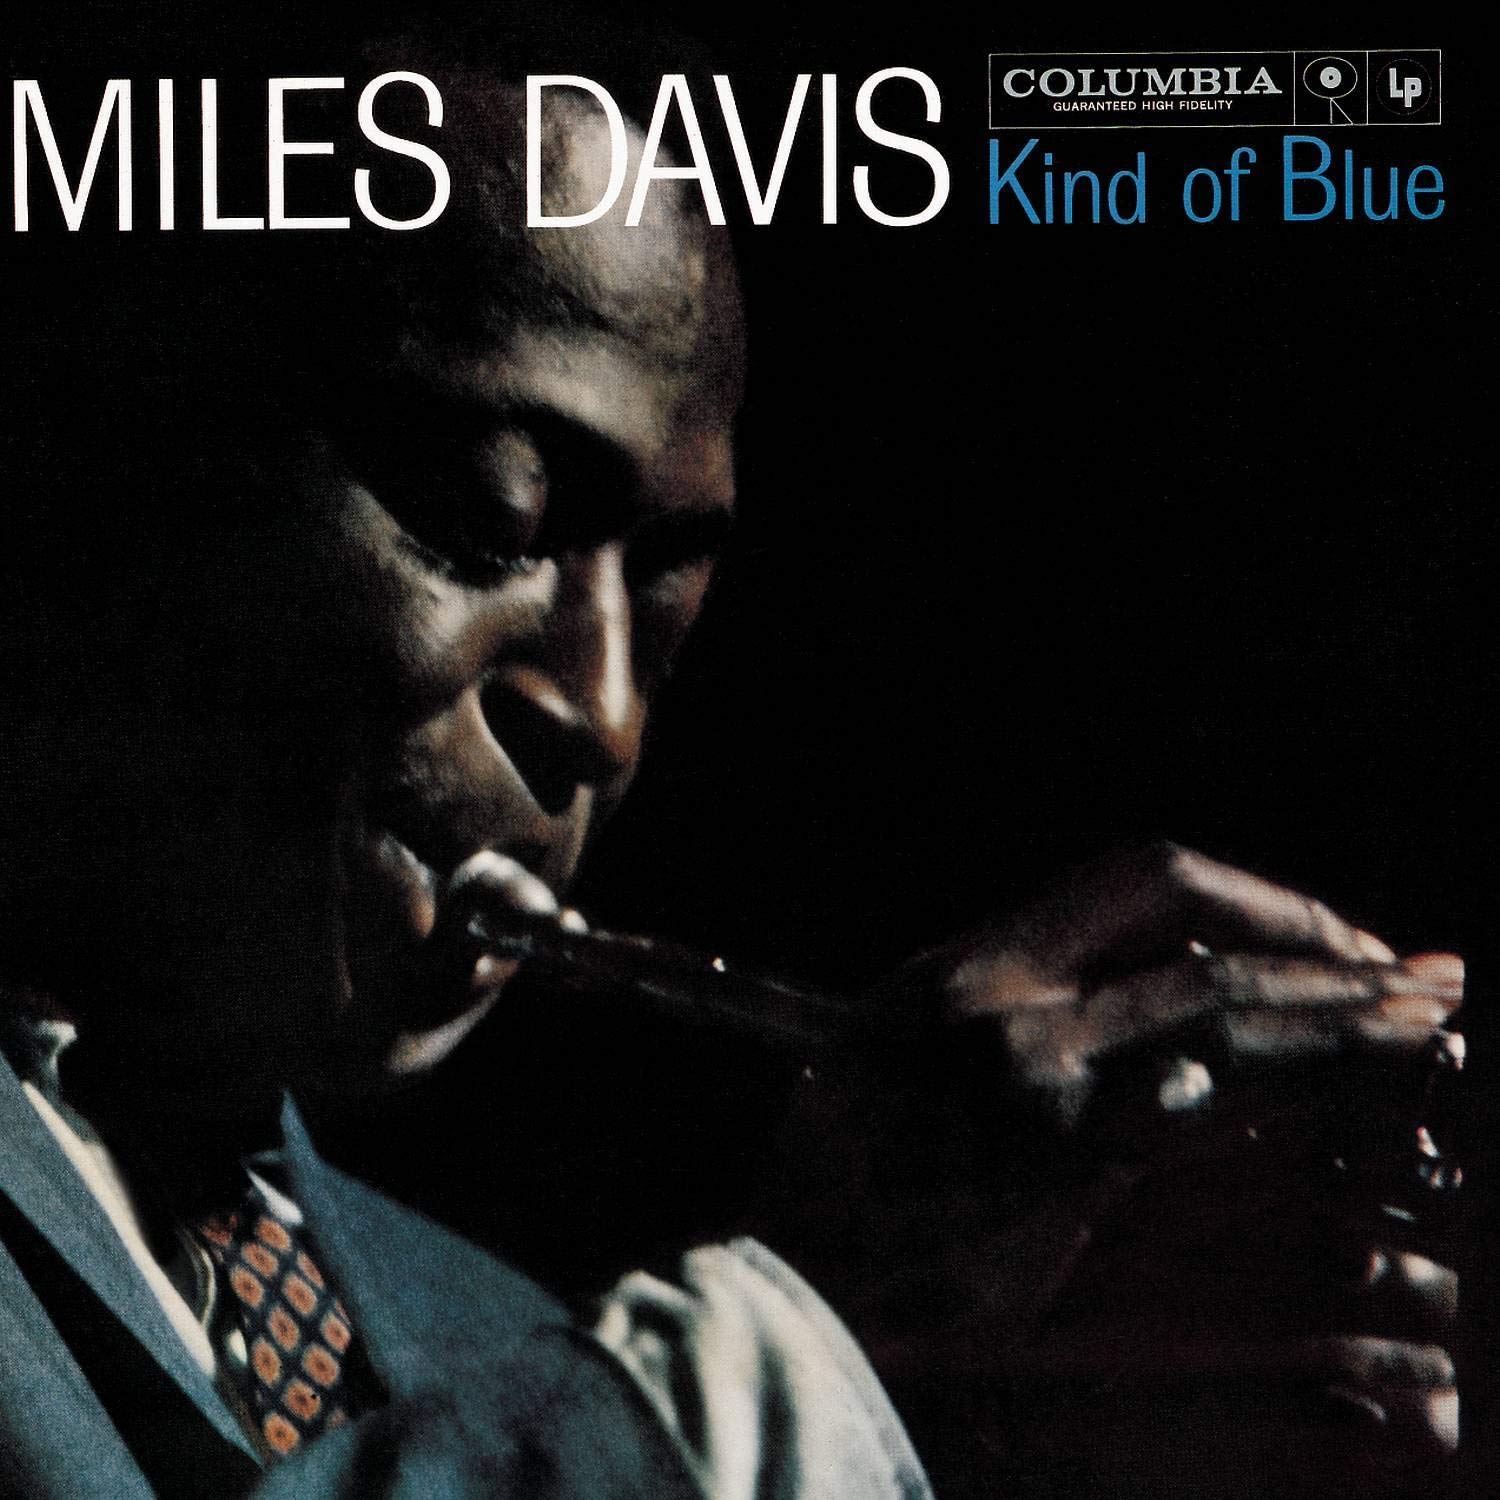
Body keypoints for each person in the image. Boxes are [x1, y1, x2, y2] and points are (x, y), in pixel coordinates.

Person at [0, 24, 1469, 1499]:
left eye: (665, 607)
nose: (608, 719)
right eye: (491, 514)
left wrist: (1005, 1435)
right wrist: (807, 1353)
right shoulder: (635, 1387)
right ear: (105, 448)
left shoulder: (499, 1338)